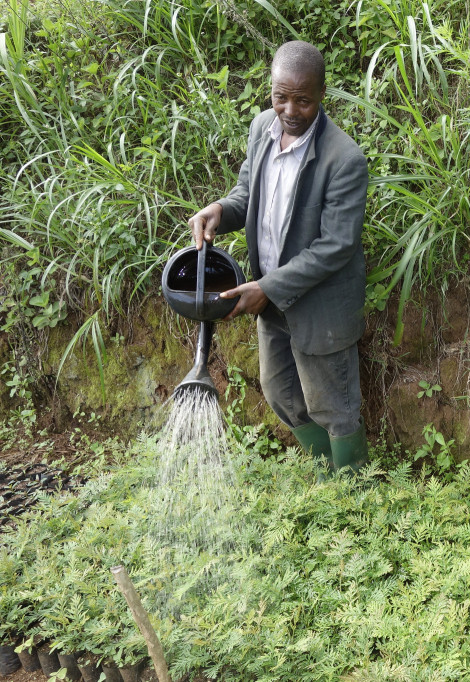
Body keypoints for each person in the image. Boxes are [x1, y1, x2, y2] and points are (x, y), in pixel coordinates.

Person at [187, 40, 369, 475]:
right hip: (269, 299)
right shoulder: (261, 129)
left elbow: (336, 244)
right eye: (280, 97)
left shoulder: (344, 160)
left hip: (318, 305)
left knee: (333, 406)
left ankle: (356, 492)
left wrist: (267, 288)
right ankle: (327, 472)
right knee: (280, 392)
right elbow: (248, 194)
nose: (289, 110)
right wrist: (219, 210)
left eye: (303, 100)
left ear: (322, 94)